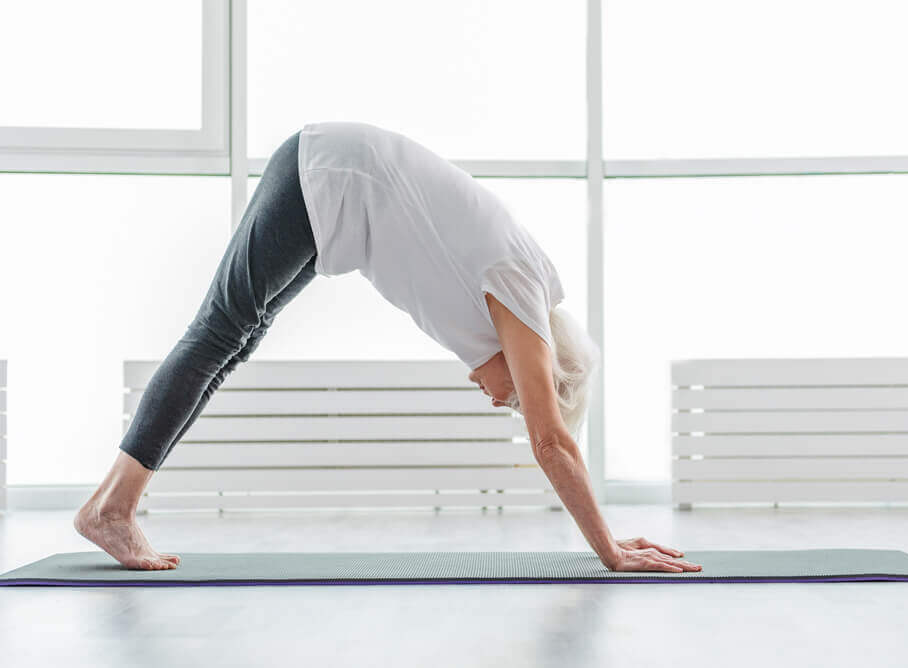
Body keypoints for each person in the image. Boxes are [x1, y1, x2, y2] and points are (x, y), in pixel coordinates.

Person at [73, 121, 702, 575]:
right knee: (218, 332)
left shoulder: (513, 289)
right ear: (540, 367)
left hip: (330, 191)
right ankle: (112, 508)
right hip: (327, 176)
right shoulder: (521, 292)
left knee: (234, 339)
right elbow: (551, 441)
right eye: (515, 398)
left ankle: (110, 504)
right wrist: (609, 549)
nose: (498, 402)